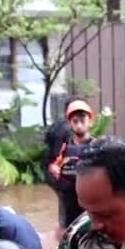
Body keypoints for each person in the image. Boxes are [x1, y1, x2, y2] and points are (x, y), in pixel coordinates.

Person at [47, 98, 96, 240]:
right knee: (65, 235)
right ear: (70, 124)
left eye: (82, 120)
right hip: (68, 199)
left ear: (90, 122)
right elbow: (53, 164)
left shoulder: (98, 146)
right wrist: (54, 168)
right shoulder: (64, 148)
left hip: (90, 202)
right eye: (75, 121)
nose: (79, 125)